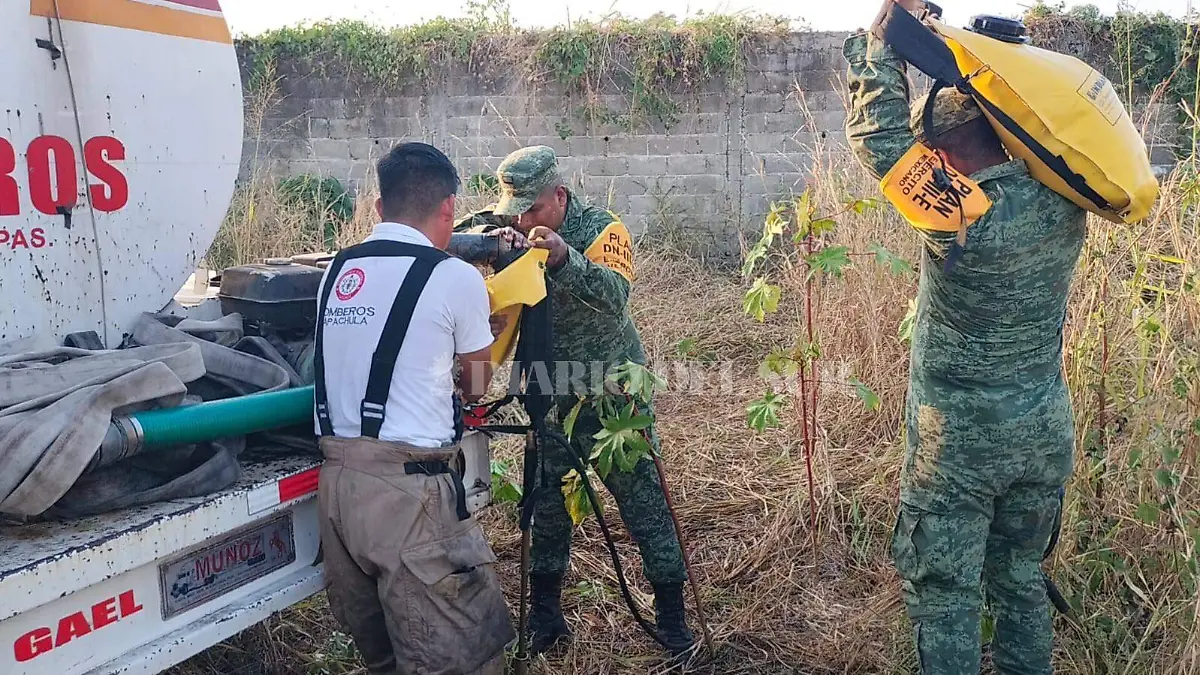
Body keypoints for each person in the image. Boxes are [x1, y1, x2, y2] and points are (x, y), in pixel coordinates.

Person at [843, 2, 1086, 673]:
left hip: (959, 450)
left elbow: (878, 139)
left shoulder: (958, 211)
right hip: (1041, 433)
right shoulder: (1065, 201)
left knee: (947, 595)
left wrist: (883, 35)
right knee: (1019, 581)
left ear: (944, 155)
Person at [454, 145, 694, 657]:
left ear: (559, 197)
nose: (521, 219)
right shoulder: (506, 224)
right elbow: (451, 241)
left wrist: (564, 258)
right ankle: (546, 615)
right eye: (513, 209)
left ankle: (671, 617)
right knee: (547, 504)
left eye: (532, 209)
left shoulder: (604, 231)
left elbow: (614, 293)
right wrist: (486, 245)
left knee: (643, 502)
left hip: (612, 396)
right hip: (551, 395)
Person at [312, 142, 516, 675]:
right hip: (411, 499)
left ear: (379, 208)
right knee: (458, 659)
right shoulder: (455, 278)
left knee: (384, 659)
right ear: (449, 207)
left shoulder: (338, 271)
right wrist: (480, 340)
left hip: (337, 493)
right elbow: (474, 386)